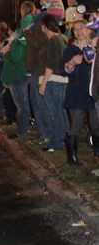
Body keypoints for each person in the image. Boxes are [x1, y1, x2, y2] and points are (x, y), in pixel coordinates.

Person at [61, 19, 96, 165]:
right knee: (76, 123)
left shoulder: (95, 47)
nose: (79, 31)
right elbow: (63, 70)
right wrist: (71, 64)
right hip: (76, 91)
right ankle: (72, 158)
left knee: (96, 124)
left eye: (82, 28)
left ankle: (96, 153)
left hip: (93, 91)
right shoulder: (70, 50)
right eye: (76, 29)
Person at [1, 2, 34, 140]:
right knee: (23, 104)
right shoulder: (21, 38)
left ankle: (21, 130)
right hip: (21, 73)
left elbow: (15, 57)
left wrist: (6, 53)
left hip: (17, 74)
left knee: (21, 104)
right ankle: (23, 128)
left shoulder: (20, 41)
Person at [36, 15, 68, 153]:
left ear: (44, 27)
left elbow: (52, 62)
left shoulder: (54, 41)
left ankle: (57, 142)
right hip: (57, 80)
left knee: (55, 113)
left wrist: (44, 83)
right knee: (60, 112)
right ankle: (63, 139)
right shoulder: (59, 39)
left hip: (53, 80)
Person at [23, 3, 51, 144]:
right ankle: (42, 132)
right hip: (35, 67)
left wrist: (26, 33)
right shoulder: (37, 23)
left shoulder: (41, 23)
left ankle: (45, 133)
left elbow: (39, 42)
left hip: (39, 68)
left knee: (39, 102)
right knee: (35, 101)